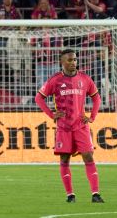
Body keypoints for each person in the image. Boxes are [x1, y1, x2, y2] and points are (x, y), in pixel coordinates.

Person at [35, 49, 104, 203]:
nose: (73, 63)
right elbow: (39, 98)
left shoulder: (85, 78)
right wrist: (52, 114)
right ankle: (70, 195)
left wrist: (92, 116)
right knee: (64, 159)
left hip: (80, 125)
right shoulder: (55, 80)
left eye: (74, 59)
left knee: (88, 155)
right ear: (62, 62)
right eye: (69, 60)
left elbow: (96, 98)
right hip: (64, 127)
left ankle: (95, 194)